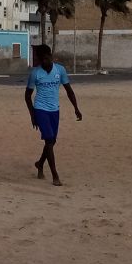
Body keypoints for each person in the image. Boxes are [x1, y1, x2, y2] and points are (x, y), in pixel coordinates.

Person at [25, 44, 82, 187]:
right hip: (40, 109)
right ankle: (55, 175)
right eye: (40, 59)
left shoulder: (60, 70)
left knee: (51, 142)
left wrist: (76, 108)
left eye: (45, 58)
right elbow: (27, 96)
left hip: (54, 110)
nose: (43, 62)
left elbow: (69, 90)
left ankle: (39, 164)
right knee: (49, 141)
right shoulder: (35, 73)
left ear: (50, 56)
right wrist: (33, 115)